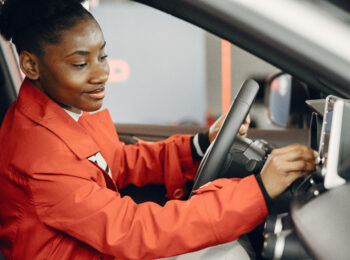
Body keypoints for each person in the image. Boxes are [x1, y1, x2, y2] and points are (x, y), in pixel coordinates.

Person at [0, 0, 317, 259]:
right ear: (31, 66)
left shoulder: (64, 110)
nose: (102, 73)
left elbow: (120, 162)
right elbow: (133, 230)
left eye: (103, 55)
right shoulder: (38, 156)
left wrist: (200, 145)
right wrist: (257, 192)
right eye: (81, 64)